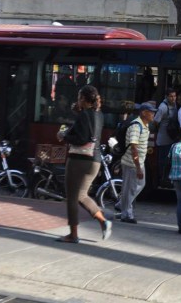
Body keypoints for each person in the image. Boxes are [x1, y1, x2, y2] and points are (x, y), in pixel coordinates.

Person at [56, 85, 111, 243]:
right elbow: (88, 128)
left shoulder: (84, 115)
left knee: (72, 197)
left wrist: (63, 136)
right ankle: (103, 221)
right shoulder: (99, 115)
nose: (77, 99)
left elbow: (81, 138)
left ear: (83, 99)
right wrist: (79, 112)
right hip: (95, 161)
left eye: (79, 97)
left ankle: (73, 234)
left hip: (79, 160)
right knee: (82, 195)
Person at [120, 102, 157, 223]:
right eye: (151, 112)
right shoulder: (136, 126)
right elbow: (134, 147)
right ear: (143, 113)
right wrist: (138, 168)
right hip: (132, 163)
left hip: (139, 162)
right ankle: (126, 214)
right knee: (131, 188)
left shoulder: (145, 126)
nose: (153, 114)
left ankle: (122, 203)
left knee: (139, 185)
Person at [153, 88, 178, 182]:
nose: (173, 98)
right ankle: (162, 178)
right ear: (166, 97)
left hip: (172, 138)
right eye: (171, 96)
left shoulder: (175, 104)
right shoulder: (162, 107)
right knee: (163, 161)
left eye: (174, 96)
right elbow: (155, 121)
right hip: (163, 139)